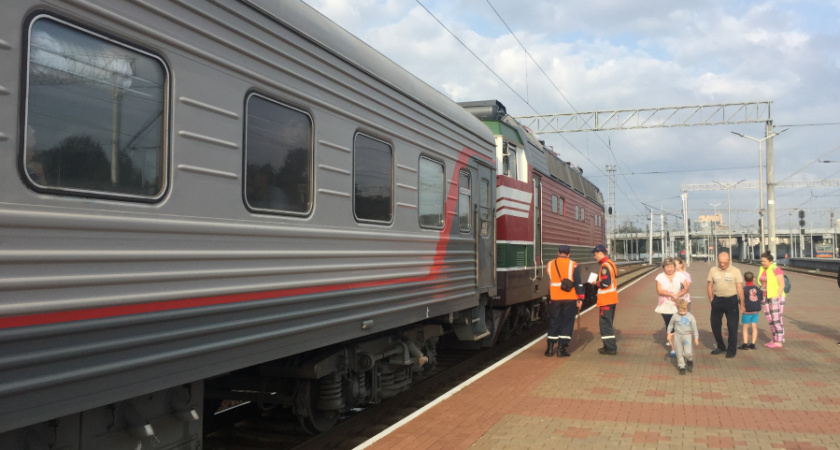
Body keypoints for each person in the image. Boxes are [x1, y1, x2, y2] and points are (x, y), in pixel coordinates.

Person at [544, 245, 585, 357]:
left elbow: (551, 277)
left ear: (558, 252)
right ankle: (561, 350)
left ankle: (550, 349)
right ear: (569, 254)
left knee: (554, 321)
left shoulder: (550, 264)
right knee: (567, 322)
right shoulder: (573, 264)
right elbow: (578, 282)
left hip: (555, 298)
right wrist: (580, 298)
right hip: (569, 298)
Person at [707, 251, 744, 358]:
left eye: (724, 262)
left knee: (732, 326)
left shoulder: (735, 271)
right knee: (715, 325)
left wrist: (742, 303)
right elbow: (709, 285)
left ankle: (731, 350)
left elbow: (740, 288)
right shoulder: (713, 270)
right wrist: (711, 300)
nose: (722, 264)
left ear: (729, 261)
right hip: (717, 300)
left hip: (731, 301)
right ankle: (721, 346)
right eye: (720, 262)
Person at [655, 258, 688, 352]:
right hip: (665, 305)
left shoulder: (680, 276)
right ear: (663, 267)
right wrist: (671, 294)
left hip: (678, 304)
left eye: (671, 267)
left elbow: (686, 288)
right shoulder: (660, 277)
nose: (669, 269)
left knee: (679, 324)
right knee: (670, 324)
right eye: (667, 267)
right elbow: (659, 291)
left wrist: (677, 295)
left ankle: (679, 342)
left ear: (674, 267)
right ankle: (673, 347)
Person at [592, 244, 619, 355]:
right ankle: (608, 346)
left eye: (595, 254)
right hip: (612, 299)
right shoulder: (611, 264)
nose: (595, 257)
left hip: (606, 300)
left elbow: (605, 283)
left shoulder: (604, 266)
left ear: (600, 253)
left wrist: (595, 283)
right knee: (608, 323)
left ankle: (610, 348)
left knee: (605, 325)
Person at [757, 252, 786, 348]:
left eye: (764, 261)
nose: (762, 263)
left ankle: (779, 340)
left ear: (770, 261)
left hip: (775, 296)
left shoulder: (776, 269)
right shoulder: (762, 269)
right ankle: (774, 338)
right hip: (765, 296)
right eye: (761, 261)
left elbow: (782, 285)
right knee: (770, 319)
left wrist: (777, 297)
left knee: (776, 318)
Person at [667, 299, 699, 375]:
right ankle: (682, 366)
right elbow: (670, 325)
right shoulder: (675, 316)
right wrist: (668, 334)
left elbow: (694, 327)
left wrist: (696, 337)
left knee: (688, 352)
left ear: (687, 308)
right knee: (679, 352)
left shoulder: (690, 317)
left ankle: (689, 360)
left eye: (683, 311)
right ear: (677, 309)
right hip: (678, 335)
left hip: (687, 336)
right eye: (680, 311)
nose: (682, 313)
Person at [739, 272, 763, 350]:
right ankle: (753, 344)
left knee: (745, 327)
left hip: (747, 310)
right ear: (754, 279)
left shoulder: (744, 289)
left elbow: (741, 300)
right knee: (754, 326)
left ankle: (745, 344)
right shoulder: (758, 289)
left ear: (744, 279)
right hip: (756, 310)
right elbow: (761, 299)